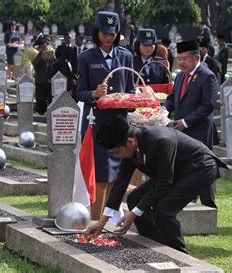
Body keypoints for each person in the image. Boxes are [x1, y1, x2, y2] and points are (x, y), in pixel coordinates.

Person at [85, 115, 227, 253]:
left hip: (199, 168)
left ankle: (179, 253)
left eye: (116, 152)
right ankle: (152, 243)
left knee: (164, 209)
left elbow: (163, 183)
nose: (116, 156)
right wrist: (102, 222)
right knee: (135, 199)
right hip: (172, 172)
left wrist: (132, 215)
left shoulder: (160, 140)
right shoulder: (130, 149)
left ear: (130, 142)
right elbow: (121, 183)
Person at [76, 11, 134, 220]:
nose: (108, 37)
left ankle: (107, 221)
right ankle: (94, 221)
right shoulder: (86, 57)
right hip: (97, 123)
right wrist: (94, 93)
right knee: (100, 175)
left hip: (120, 123)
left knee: (115, 176)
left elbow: (130, 89)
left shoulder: (126, 56)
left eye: (112, 33)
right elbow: (79, 92)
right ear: (97, 33)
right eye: (104, 33)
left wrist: (137, 99)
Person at [163, 40, 219, 208]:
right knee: (184, 166)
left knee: (202, 167)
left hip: (199, 130)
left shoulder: (207, 75)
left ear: (196, 57)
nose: (181, 63)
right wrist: (162, 112)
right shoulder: (180, 75)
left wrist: (186, 122)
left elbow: (208, 105)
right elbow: (173, 99)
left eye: (185, 59)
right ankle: (187, 199)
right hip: (180, 130)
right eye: (179, 59)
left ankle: (208, 206)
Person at [32, 35, 55, 115]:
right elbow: (35, 64)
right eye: (43, 47)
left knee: (49, 97)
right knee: (40, 98)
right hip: (40, 80)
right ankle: (40, 112)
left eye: (45, 46)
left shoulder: (51, 53)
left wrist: (53, 57)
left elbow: (54, 65)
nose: (45, 48)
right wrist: (41, 56)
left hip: (48, 80)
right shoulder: (38, 55)